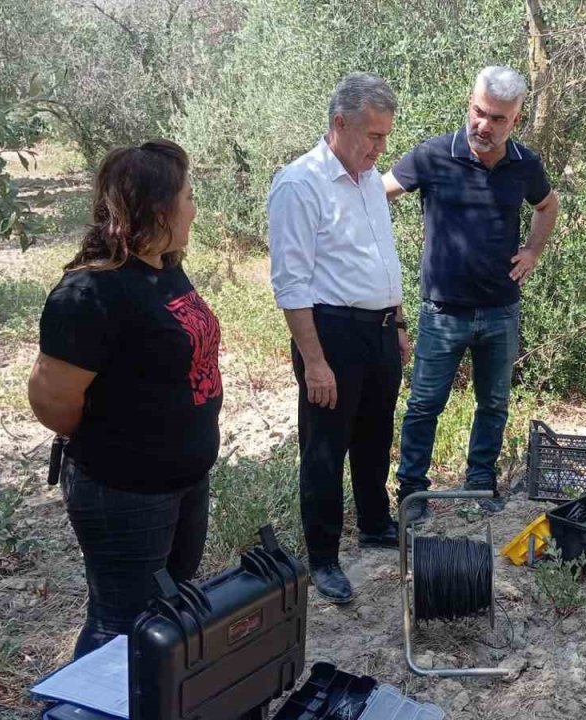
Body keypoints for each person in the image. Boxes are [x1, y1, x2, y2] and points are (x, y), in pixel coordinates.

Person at [28, 140, 222, 658]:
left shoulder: (163, 266)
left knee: (169, 612)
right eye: (186, 195)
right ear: (157, 208)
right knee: (120, 626)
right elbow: (52, 402)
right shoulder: (89, 294)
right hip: (125, 493)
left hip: (183, 480)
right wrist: (117, 437)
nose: (193, 206)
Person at [384, 66, 560, 522]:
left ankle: (480, 486)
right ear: (470, 103)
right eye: (479, 112)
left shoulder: (525, 164)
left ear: (515, 120)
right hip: (443, 311)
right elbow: (378, 191)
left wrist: (533, 251)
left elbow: (547, 204)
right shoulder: (433, 155)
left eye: (498, 119)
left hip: (501, 310)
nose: (484, 125)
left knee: (494, 403)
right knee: (424, 404)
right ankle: (413, 492)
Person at [268, 72, 408, 604]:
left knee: (373, 437)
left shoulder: (370, 179)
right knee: (325, 448)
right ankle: (323, 558)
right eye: (373, 136)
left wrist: (396, 323)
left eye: (385, 137)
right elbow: (291, 282)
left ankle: (374, 523)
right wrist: (315, 362)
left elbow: (382, 258)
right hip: (330, 333)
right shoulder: (299, 184)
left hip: (377, 331)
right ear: (339, 124)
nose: (380, 148)